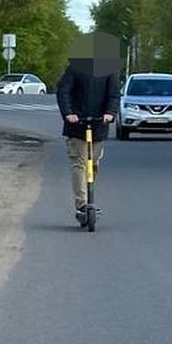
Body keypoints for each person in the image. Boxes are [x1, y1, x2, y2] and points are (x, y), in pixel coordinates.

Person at [56, 32, 120, 225]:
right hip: (77, 124)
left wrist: (110, 113)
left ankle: (88, 199)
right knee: (79, 163)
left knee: (94, 165)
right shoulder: (74, 69)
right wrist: (69, 113)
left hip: (99, 124)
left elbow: (114, 95)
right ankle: (82, 204)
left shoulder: (109, 71)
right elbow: (64, 92)